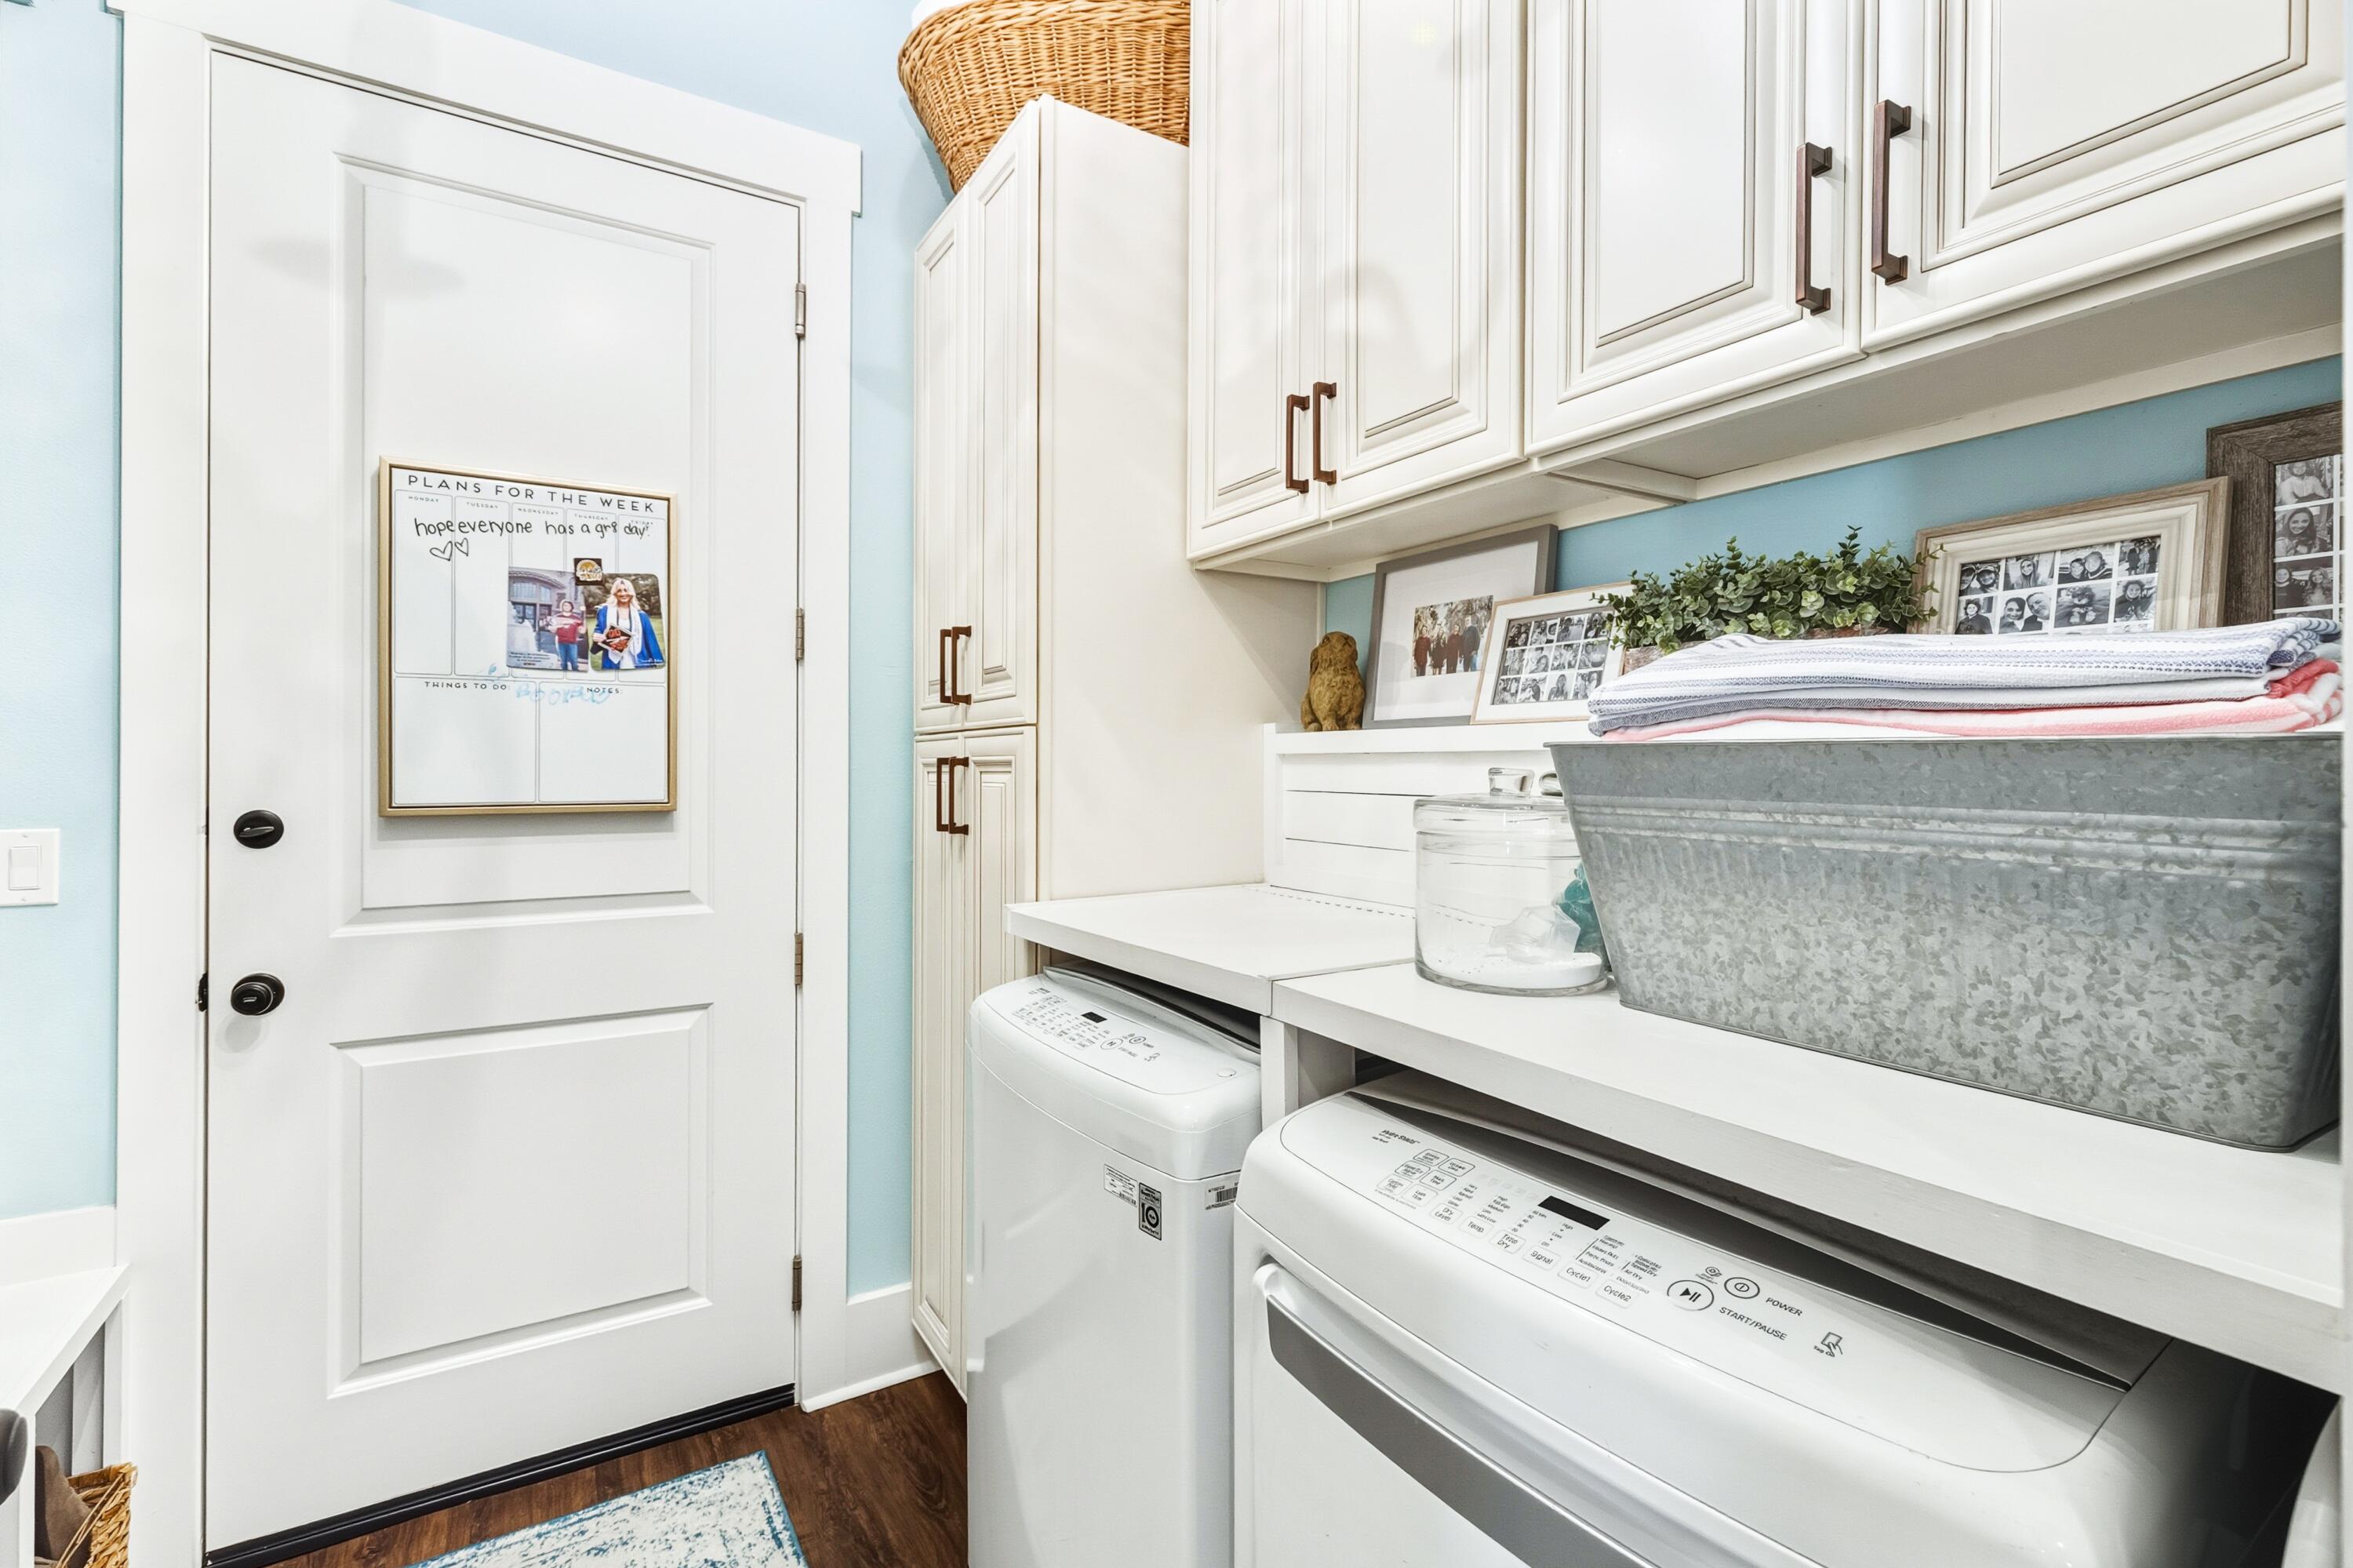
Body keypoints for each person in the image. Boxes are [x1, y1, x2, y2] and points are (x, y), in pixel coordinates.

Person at [594, 577, 665, 671]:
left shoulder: (641, 615)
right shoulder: (605, 611)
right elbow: (599, 628)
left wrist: (655, 660)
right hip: (613, 656)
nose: (623, 594)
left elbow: (650, 639)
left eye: (626, 590)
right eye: (619, 591)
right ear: (615, 593)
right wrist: (597, 635)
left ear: (631, 593)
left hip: (637, 655)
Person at [549, 598, 584, 671]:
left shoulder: (576, 618)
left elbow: (582, 630)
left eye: (568, 605)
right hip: (560, 642)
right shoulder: (557, 617)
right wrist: (555, 627)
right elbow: (553, 630)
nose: (566, 607)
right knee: (563, 662)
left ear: (571, 607)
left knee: (574, 662)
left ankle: (576, 676)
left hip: (572, 643)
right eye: (565, 605)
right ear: (562, 607)